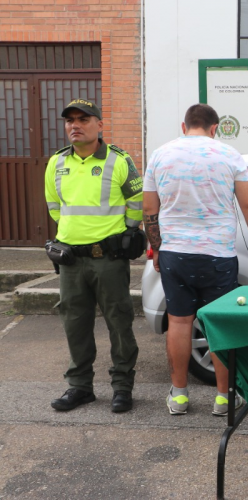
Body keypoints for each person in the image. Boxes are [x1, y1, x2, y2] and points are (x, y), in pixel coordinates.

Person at [142, 103, 248, 416]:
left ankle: (179, 396)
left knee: (178, 321)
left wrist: (157, 248)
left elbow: (149, 209)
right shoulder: (229, 155)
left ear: (184, 126)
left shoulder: (160, 154)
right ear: (215, 128)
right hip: (218, 255)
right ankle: (224, 398)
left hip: (176, 253)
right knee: (218, 323)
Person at [44, 99, 142, 413]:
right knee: (75, 324)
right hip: (71, 260)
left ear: (99, 125)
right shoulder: (56, 163)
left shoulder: (119, 160)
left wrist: (127, 233)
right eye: (70, 120)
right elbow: (54, 206)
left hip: (109, 259)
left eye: (83, 119)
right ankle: (80, 387)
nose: (75, 125)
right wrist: (72, 236)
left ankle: (122, 388)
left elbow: (137, 200)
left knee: (119, 323)